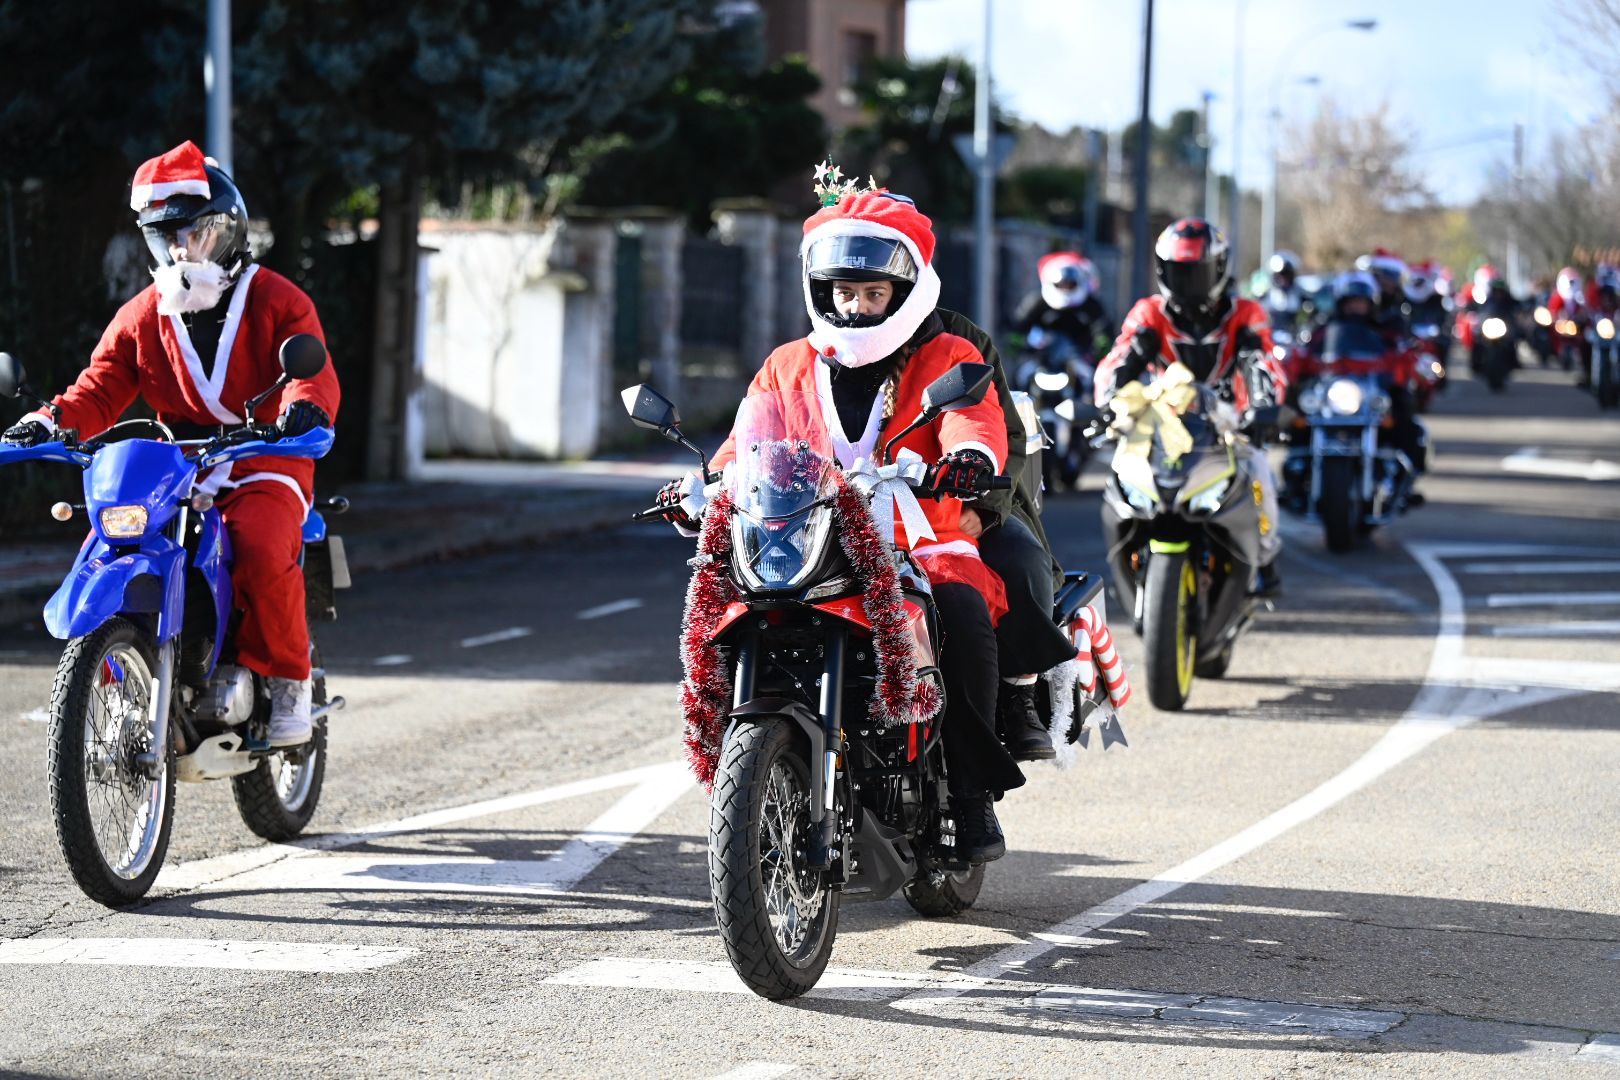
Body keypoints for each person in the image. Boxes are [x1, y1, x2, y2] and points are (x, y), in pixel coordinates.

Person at [656, 187, 1023, 863]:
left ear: (903, 291)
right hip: (806, 537)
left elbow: (973, 419)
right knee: (733, 612)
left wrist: (970, 458)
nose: (855, 307)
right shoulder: (786, 363)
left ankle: (972, 796)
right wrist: (704, 487)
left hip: (920, 536)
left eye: (873, 294)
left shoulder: (949, 355)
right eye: (843, 292)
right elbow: (744, 446)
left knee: (961, 612)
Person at [1, 141, 340, 748]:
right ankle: (115, 678)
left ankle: (289, 681)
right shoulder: (142, 314)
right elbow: (99, 386)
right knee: (106, 544)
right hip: (174, 464)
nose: (182, 251)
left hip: (264, 458)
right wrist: (46, 422)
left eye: (195, 235)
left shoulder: (279, 299)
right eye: (167, 240)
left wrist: (303, 409)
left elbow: (308, 377)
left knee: (262, 546)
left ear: (228, 232)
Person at [1095, 217, 1288, 596]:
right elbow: (1121, 358)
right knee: (1121, 472)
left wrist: (1264, 408)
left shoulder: (1246, 312)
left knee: (1260, 473)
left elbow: (1261, 362)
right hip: (1161, 420)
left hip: (1230, 423)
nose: (1185, 282)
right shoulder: (1149, 312)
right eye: (1177, 271)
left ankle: (1264, 560)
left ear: (1219, 268)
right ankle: (1128, 558)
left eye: (1195, 272)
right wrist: (1108, 403)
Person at [1011, 251, 1110, 361]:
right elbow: (1020, 323)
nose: (1065, 289)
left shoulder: (1090, 305)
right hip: (1041, 356)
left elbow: (1101, 327)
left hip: (1078, 356)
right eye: (1062, 285)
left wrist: (1101, 344)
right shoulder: (1037, 303)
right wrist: (1016, 340)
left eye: (1070, 285)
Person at [1355, 249, 1409, 334]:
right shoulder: (1361, 301)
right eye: (1385, 274)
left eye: (1394, 276)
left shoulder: (1399, 308)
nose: (1388, 281)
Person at [1263, 249, 1306, 331]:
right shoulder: (1266, 297)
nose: (1283, 280)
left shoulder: (1301, 297)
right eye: (1279, 276)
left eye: (1286, 275)